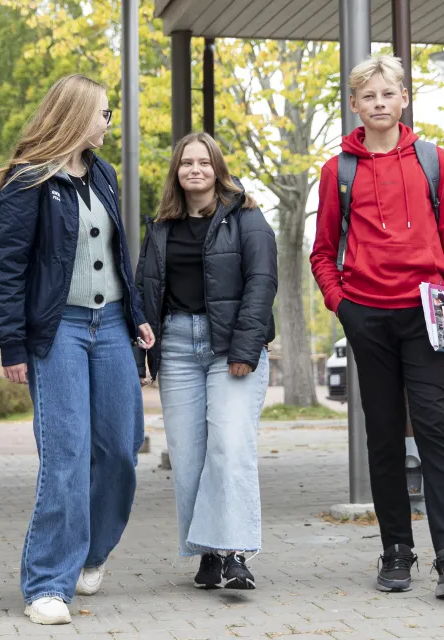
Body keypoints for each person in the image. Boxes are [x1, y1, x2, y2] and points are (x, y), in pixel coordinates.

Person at [308, 54, 444, 599]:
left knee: (434, 427)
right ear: (356, 105)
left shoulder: (433, 161)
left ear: (404, 99)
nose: (380, 104)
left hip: (428, 314)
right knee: (383, 434)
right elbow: (322, 252)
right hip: (368, 315)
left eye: (389, 94)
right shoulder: (338, 170)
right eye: (369, 97)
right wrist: (344, 306)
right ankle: (396, 551)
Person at [0, 74, 155, 626]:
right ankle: (47, 584)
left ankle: (92, 552)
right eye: (104, 112)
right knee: (67, 456)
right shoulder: (28, 180)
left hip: (111, 329)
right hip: (58, 332)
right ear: (78, 114)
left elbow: (118, 253)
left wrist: (138, 317)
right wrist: (11, 342)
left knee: (123, 450)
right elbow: (2, 266)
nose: (108, 121)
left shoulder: (103, 174)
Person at [136, 133, 277, 590]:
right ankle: (207, 554)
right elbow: (144, 289)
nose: (194, 169)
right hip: (176, 346)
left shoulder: (247, 219)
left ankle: (235, 552)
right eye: (186, 163)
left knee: (230, 446)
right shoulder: (159, 226)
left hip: (229, 347)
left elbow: (262, 283)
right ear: (176, 171)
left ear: (218, 168)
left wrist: (243, 349)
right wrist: (145, 350)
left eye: (203, 162)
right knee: (190, 456)